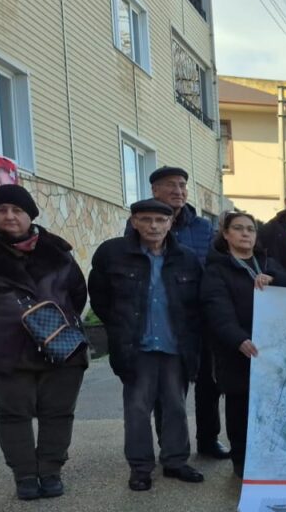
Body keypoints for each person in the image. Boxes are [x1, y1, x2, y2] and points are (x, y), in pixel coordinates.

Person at [0, 185, 89, 500]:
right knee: (12, 414)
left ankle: (50, 472)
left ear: (30, 215)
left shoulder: (58, 251)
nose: (9, 216)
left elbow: (77, 293)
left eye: (17, 210)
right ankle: (25, 477)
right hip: (3, 349)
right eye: (2, 209)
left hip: (60, 347)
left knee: (58, 412)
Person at [88, 199, 205, 491]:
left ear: (170, 223)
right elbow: (100, 298)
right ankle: (140, 468)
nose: (154, 226)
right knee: (138, 408)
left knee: (176, 406)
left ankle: (176, 461)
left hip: (174, 346)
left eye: (160, 220)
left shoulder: (187, 258)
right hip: (136, 347)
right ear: (134, 221)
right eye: (146, 219)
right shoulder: (112, 253)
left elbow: (195, 305)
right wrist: (119, 327)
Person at [200, 210, 286, 477]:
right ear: (226, 234)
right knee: (240, 407)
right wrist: (239, 339)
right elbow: (217, 311)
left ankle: (271, 458)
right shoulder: (217, 269)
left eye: (251, 229)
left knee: (274, 406)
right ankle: (241, 463)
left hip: (273, 351)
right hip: (238, 352)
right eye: (239, 228)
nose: (246, 234)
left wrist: (274, 280)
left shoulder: (266, 262)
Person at [148, 165, 226, 458]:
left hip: (200, 319)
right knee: (169, 387)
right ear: (155, 190)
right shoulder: (144, 224)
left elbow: (214, 269)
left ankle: (209, 440)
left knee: (209, 384)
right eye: (170, 185)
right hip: (164, 319)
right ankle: (170, 445)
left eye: (182, 185)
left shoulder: (203, 228)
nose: (178, 191)